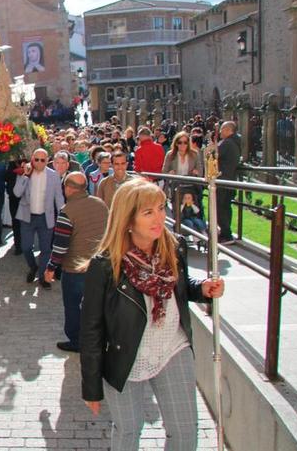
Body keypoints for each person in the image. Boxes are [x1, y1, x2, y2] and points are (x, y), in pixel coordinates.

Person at [80, 178, 224, 451]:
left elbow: (180, 288)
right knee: (128, 431)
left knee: (184, 432)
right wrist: (91, 387)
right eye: (148, 212)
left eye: (161, 208)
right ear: (128, 219)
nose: (160, 218)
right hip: (126, 358)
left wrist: (203, 289)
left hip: (173, 348)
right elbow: (91, 329)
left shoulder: (174, 246)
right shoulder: (105, 266)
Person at [44, 172, 108, 352]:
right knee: (97, 305)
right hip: (100, 266)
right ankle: (99, 338)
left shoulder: (67, 211)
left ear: (69, 189)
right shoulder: (101, 204)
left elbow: (60, 246)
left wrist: (50, 268)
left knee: (73, 306)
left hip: (75, 268)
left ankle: (77, 341)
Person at [13, 148, 65, 288]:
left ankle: (42, 276)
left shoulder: (54, 175)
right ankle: (33, 266)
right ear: (32, 159)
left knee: (46, 249)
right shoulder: (26, 173)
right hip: (27, 217)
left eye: (43, 160)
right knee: (25, 247)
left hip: (45, 217)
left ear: (48, 160)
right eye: (36, 159)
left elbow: (59, 197)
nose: (39, 162)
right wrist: (25, 175)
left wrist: (62, 216)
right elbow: (17, 193)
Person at [217, 121, 241, 244]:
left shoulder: (227, 143)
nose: (220, 132)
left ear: (228, 130)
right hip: (230, 180)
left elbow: (213, 154)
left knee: (221, 208)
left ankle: (226, 235)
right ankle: (226, 233)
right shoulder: (235, 142)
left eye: (222, 129)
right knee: (225, 207)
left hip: (223, 180)